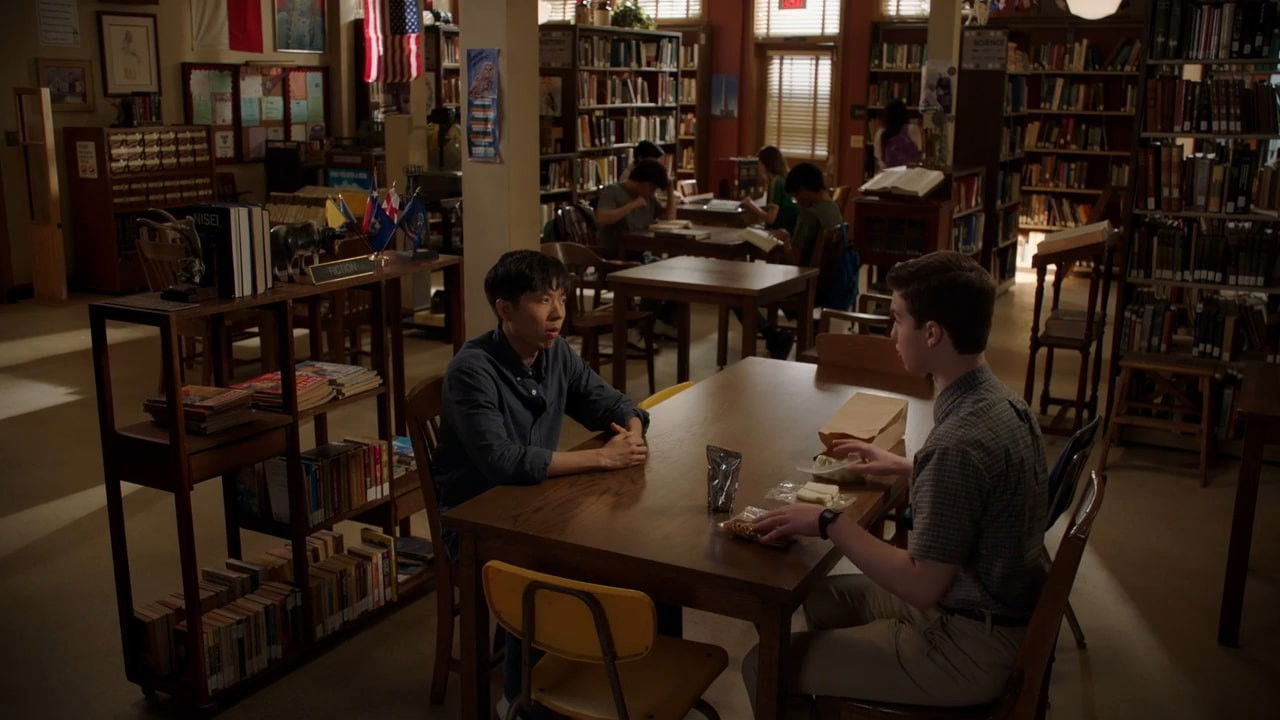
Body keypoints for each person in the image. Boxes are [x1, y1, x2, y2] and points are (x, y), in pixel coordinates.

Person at [744, 251, 1049, 711]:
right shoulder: (1001, 402)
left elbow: (922, 586)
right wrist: (910, 466)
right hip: (991, 609)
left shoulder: (956, 446)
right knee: (822, 599)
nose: (892, 334)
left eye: (898, 319)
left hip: (968, 643)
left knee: (761, 665)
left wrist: (828, 522)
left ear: (932, 333)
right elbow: (983, 486)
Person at [431, 250, 678, 716]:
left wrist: (631, 433)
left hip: (538, 501)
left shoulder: (555, 352)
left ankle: (631, 679)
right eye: (543, 300)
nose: (558, 313)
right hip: (476, 521)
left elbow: (613, 404)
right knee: (553, 566)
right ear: (505, 309)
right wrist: (601, 458)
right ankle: (520, 700)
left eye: (562, 298)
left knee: (649, 556)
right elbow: (502, 461)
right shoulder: (473, 369)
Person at [594, 158, 677, 257]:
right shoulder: (613, 191)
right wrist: (633, 205)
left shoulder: (648, 197)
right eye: (652, 188)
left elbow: (669, 217)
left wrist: (670, 190)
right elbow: (602, 218)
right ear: (645, 183)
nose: (653, 193)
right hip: (616, 254)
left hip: (641, 252)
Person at [739, 146, 799, 237]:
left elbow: (770, 219)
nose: (758, 167)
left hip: (783, 233)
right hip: (791, 231)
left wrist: (750, 203)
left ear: (765, 164)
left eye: (759, 163)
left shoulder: (776, 182)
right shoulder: (783, 179)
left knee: (744, 234)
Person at [873, 99, 924, 171]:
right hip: (909, 173)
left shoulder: (881, 133)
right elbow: (919, 149)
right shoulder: (912, 129)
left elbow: (879, 158)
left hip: (889, 173)